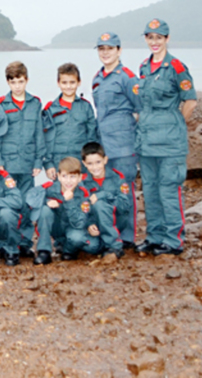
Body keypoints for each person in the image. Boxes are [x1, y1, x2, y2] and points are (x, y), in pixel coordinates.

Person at [136, 19, 197, 257]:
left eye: (159, 37)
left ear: (167, 39)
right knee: (150, 191)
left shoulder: (176, 67)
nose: (154, 42)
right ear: (146, 40)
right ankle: (154, 237)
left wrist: (174, 123)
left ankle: (173, 241)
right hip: (147, 141)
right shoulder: (143, 67)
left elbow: (190, 101)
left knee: (169, 191)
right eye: (150, 37)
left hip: (170, 142)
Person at [91, 31, 141, 248]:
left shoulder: (127, 77)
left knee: (125, 189)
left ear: (119, 50)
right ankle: (110, 234)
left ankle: (128, 237)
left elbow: (140, 110)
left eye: (110, 49)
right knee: (106, 189)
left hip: (123, 145)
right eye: (102, 49)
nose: (105, 53)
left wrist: (130, 136)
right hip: (104, 146)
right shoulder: (97, 79)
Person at [0, 61, 45, 256]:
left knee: (27, 204)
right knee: (7, 204)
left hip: (28, 163)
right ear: (8, 82)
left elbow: (39, 133)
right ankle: (6, 244)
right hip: (8, 163)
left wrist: (39, 160)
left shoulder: (35, 103)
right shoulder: (0, 105)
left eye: (20, 81)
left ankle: (24, 243)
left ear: (26, 80)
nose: (17, 86)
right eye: (13, 82)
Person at [32, 156, 100, 265]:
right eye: (64, 176)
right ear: (58, 176)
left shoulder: (83, 194)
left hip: (72, 227)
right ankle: (44, 251)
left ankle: (68, 250)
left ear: (79, 178)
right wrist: (46, 202)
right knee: (45, 210)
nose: (68, 181)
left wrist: (69, 201)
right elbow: (32, 198)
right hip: (57, 227)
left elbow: (79, 223)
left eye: (73, 177)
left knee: (91, 246)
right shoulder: (50, 188)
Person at [42, 64, 98, 179]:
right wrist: (48, 164)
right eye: (64, 82)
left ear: (79, 82)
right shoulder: (50, 109)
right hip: (59, 163)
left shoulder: (86, 107)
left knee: (83, 194)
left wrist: (91, 163)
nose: (68, 86)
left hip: (81, 162)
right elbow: (46, 140)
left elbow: (92, 137)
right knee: (60, 195)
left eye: (72, 82)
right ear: (58, 83)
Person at [80, 142, 131, 258]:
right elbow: (80, 208)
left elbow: (125, 206)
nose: (95, 167)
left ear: (105, 160)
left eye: (98, 162)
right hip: (95, 223)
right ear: (84, 164)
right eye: (90, 164)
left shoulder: (117, 178)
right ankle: (103, 243)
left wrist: (103, 195)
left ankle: (114, 246)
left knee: (100, 205)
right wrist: (88, 224)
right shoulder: (82, 182)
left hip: (116, 221)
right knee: (90, 247)